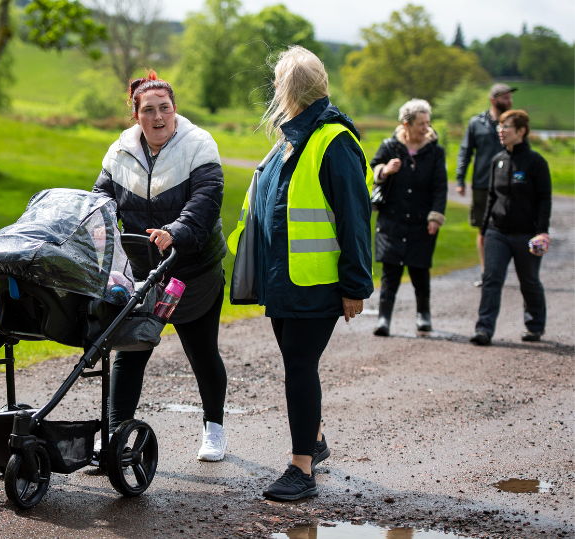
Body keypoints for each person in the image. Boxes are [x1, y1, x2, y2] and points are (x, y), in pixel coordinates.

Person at [228, 46, 373, 501]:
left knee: (299, 365)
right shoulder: (289, 141)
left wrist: (354, 285)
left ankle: (301, 468)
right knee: (295, 364)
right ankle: (314, 439)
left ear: (286, 89)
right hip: (282, 280)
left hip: (316, 282)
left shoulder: (334, 141)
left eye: (277, 83)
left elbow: (355, 217)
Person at [92, 71, 229, 461]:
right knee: (130, 351)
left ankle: (214, 429)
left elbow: (207, 197)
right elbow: (101, 198)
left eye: (164, 108)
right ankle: (114, 436)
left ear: (174, 110)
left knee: (201, 353)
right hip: (143, 273)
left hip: (192, 272)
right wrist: (95, 227)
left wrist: (177, 230)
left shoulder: (198, 144)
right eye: (148, 110)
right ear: (136, 116)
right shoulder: (119, 152)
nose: (157, 117)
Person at [470, 110, 551, 346]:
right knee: (491, 279)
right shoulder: (498, 161)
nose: (501, 131)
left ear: (521, 131)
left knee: (529, 281)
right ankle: (484, 329)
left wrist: (542, 231)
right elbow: (492, 197)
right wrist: (485, 230)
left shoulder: (536, 162)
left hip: (527, 234)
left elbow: (545, 199)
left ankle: (534, 326)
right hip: (498, 233)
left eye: (507, 127)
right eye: (500, 127)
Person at [370, 99, 448, 336]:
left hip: (421, 220)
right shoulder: (390, 146)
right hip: (392, 220)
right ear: (407, 124)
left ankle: (423, 316)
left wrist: (435, 216)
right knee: (390, 272)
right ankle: (384, 319)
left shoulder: (435, 151)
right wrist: (385, 171)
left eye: (428, 122)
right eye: (421, 123)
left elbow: (440, 187)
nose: (426, 127)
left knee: (420, 270)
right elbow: (373, 169)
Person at [456, 83, 516, 286]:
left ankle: (500, 270)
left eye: (510, 98)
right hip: (482, 183)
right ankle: (486, 272)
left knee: (508, 227)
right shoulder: (476, 123)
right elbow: (465, 151)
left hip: (509, 184)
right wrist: (460, 178)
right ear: (493, 99)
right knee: (483, 229)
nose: (509, 102)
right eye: (505, 98)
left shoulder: (513, 124)